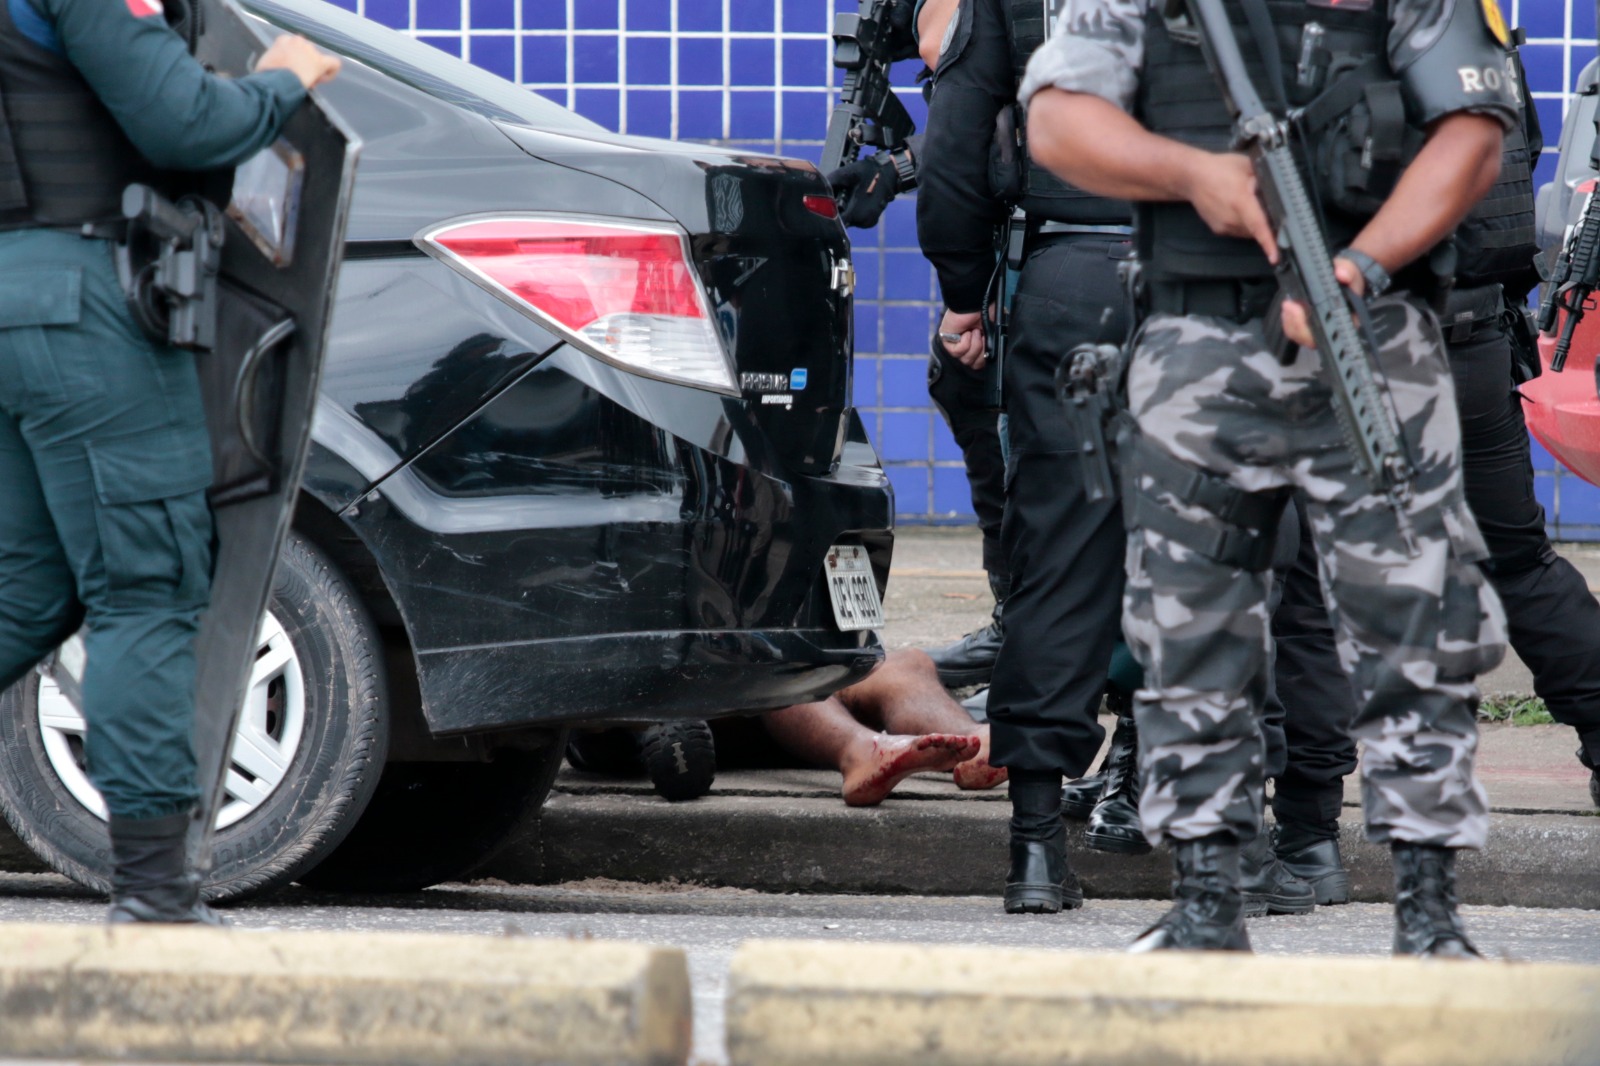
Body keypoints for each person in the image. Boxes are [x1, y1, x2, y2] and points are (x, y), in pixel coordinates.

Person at [1022, 0, 1516, 954]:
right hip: (1195, 344)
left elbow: (1473, 134)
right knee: (1186, 620)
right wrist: (1194, 174)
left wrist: (1360, 268)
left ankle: (1429, 914)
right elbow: (1057, 120)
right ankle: (1207, 902)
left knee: (1419, 617)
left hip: (1372, 344)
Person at [0, 0, 338, 923]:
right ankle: (155, 894)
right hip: (84, 310)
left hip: (14, 305)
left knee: (25, 591)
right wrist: (286, 77)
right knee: (147, 584)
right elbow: (185, 123)